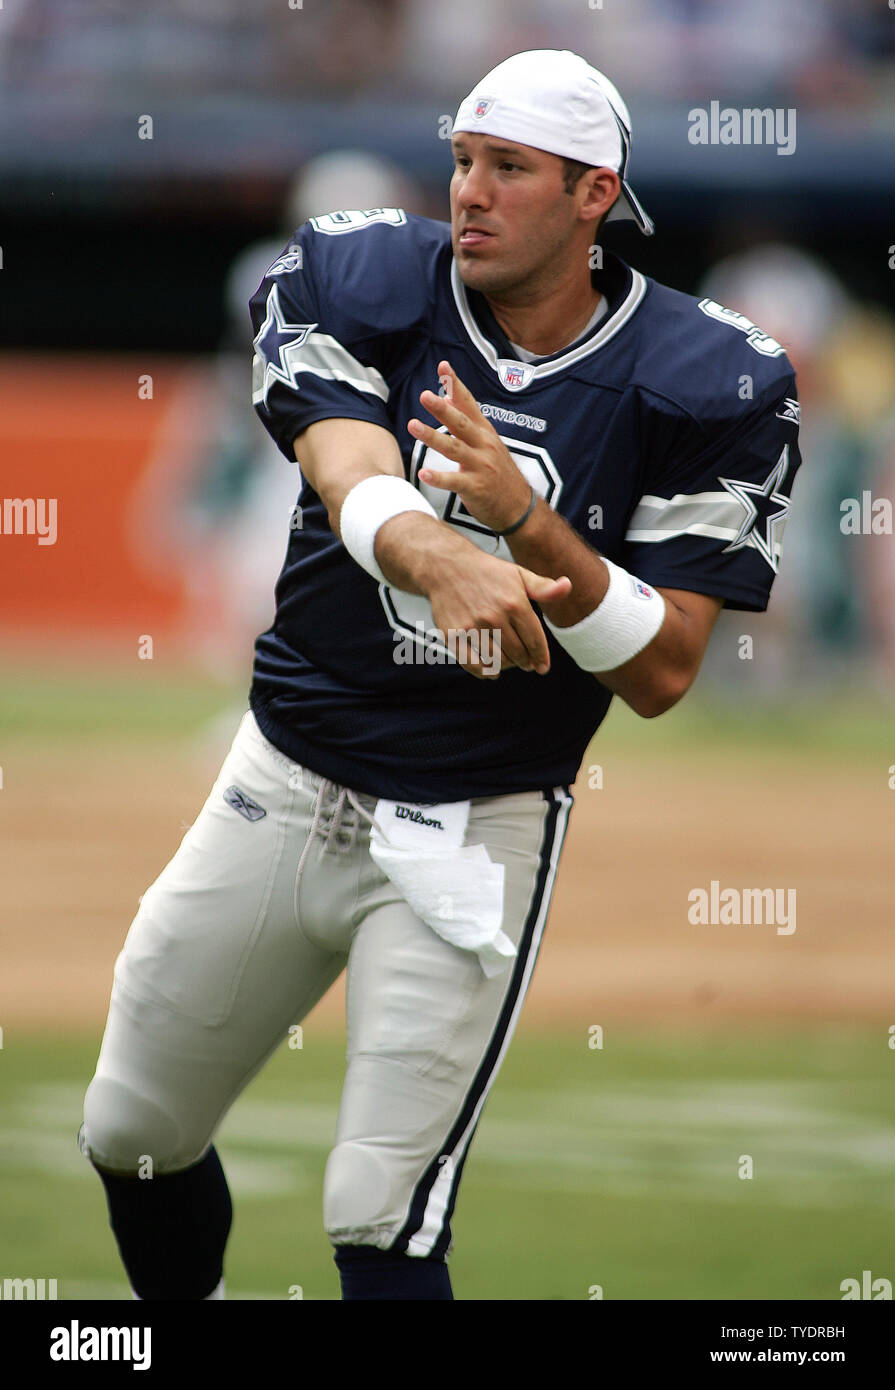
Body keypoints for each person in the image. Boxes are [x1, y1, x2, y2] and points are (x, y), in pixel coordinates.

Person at [80, 49, 801, 1301]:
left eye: (508, 168)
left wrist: (528, 524)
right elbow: (345, 460)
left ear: (593, 195)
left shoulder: (708, 372)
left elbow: (666, 668)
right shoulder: (363, 274)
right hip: (285, 781)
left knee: (382, 1211)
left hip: (476, 825)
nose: (468, 189)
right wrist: (433, 555)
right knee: (131, 1135)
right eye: (462, 159)